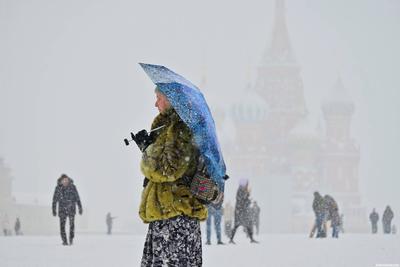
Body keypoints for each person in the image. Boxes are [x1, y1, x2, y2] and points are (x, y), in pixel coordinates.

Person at [139, 89, 208, 266]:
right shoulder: (171, 127)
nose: (156, 104)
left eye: (159, 98)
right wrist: (150, 144)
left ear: (171, 100)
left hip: (175, 217)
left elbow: (169, 169)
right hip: (171, 214)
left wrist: (148, 151)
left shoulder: (179, 127)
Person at [52, 174, 83, 245]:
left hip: (71, 209)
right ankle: (64, 241)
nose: (65, 181)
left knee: (72, 225)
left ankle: (71, 238)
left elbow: (77, 198)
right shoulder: (58, 188)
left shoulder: (73, 187)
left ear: (68, 180)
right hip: (62, 209)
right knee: (62, 226)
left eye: (66, 180)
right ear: (61, 181)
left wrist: (80, 207)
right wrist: (54, 210)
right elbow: (54, 200)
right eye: (64, 180)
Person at [229, 179, 258, 244]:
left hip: (241, 211)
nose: (247, 185)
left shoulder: (242, 190)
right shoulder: (241, 190)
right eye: (247, 184)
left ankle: (251, 238)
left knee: (245, 225)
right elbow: (242, 201)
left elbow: (243, 200)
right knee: (238, 225)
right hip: (240, 211)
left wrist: (247, 197)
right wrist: (248, 196)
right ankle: (231, 239)